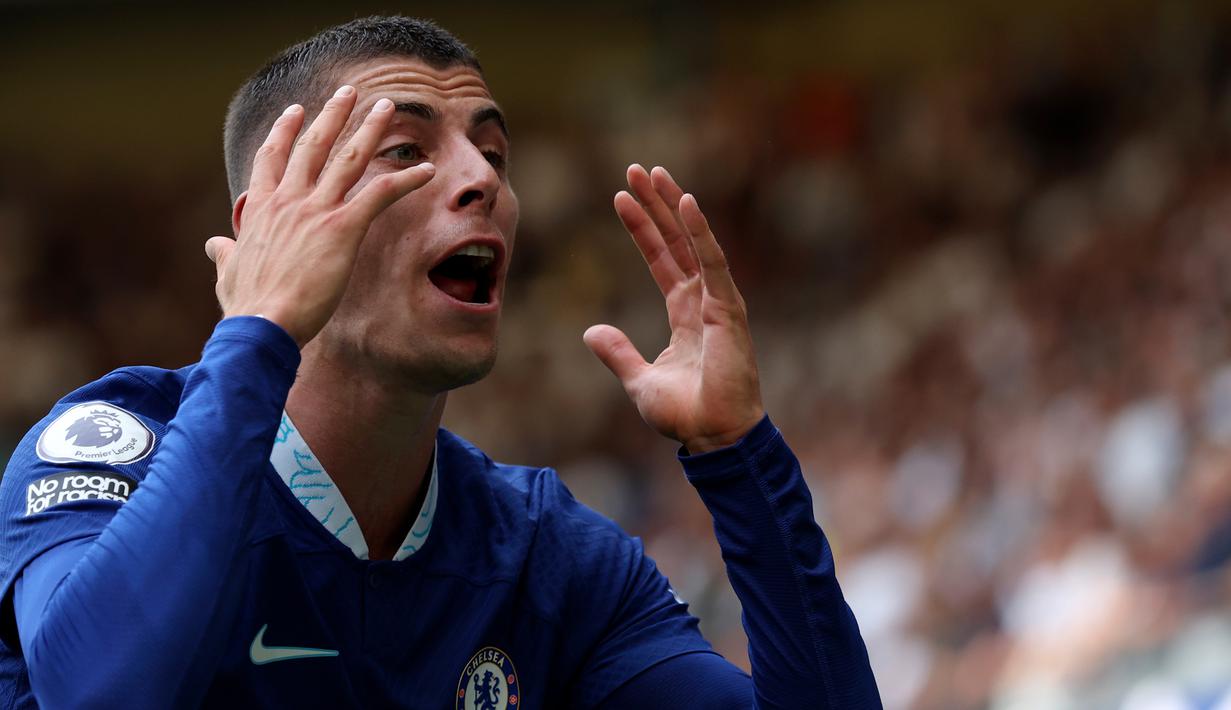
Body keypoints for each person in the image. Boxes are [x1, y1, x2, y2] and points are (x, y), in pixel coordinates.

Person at [0, 16, 880, 709]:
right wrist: (259, 330)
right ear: (269, 223)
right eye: (406, 151)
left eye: (493, 154)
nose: (483, 181)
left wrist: (740, 459)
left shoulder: (544, 558)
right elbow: (99, 691)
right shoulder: (105, 454)